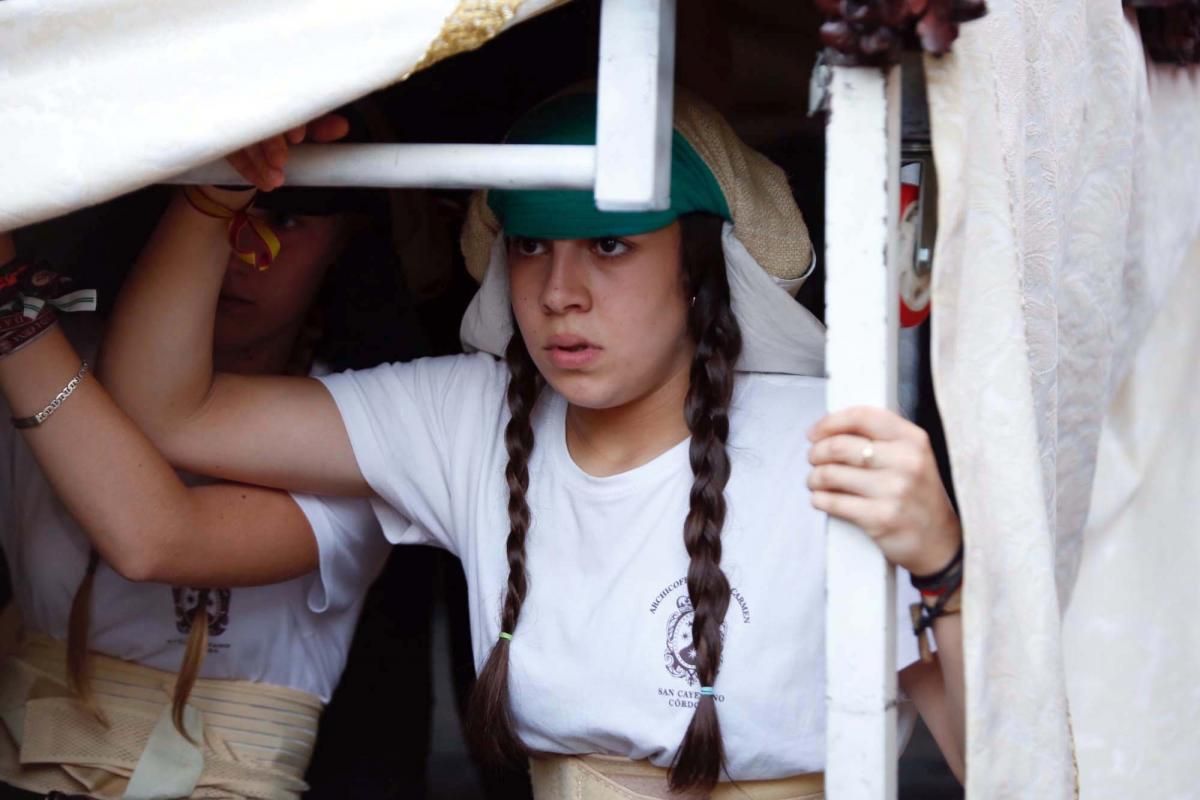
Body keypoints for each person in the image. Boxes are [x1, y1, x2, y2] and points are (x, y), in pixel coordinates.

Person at [0, 89, 965, 799]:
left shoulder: (828, 438)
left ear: (702, 266)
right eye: (533, 246)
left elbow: (996, 762)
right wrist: (215, 198)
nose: (558, 293)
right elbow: (169, 409)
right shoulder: (473, 415)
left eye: (612, 245)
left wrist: (942, 564)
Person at [0, 114, 435, 797]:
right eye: (225, 206)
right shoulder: (53, 357)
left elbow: (151, 540)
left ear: (347, 241)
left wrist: (6, 302)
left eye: (288, 223)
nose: (247, 249)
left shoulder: (373, 433)